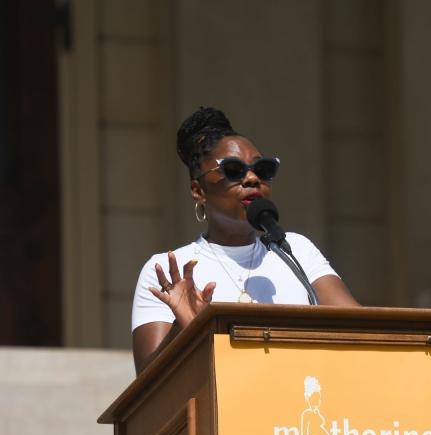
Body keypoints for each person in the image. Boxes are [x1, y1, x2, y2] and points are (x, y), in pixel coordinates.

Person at [131, 107, 358, 373]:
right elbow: (146, 387)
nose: (252, 178)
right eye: (234, 170)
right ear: (198, 190)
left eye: (262, 169)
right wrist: (183, 329)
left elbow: (360, 329)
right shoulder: (168, 270)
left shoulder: (294, 251)